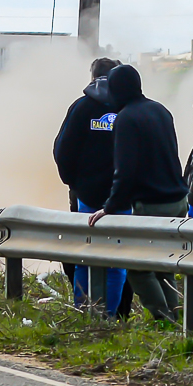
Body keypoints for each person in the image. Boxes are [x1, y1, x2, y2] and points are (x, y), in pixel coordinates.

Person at [88, 64, 189, 322]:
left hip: (152, 204)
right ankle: (175, 318)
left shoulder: (126, 118)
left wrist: (110, 207)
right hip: (178, 200)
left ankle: (164, 318)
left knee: (137, 266)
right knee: (164, 264)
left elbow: (125, 171)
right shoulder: (160, 110)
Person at [52, 58, 131, 317]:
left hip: (86, 195)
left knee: (83, 254)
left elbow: (62, 149)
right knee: (116, 261)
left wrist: (75, 183)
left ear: (92, 76)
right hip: (122, 196)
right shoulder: (129, 107)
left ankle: (84, 312)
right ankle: (109, 315)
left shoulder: (82, 107)